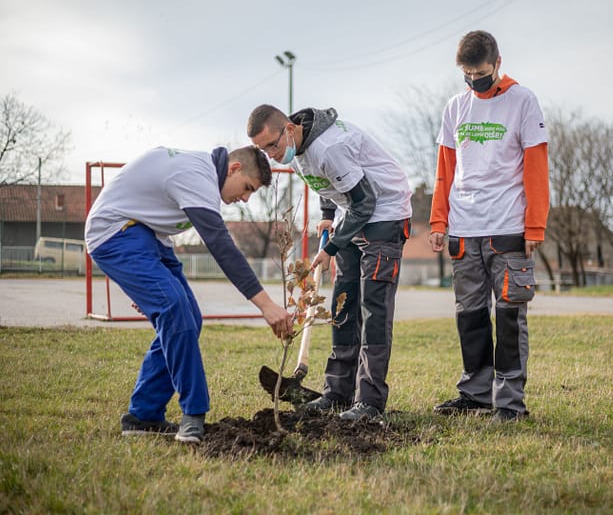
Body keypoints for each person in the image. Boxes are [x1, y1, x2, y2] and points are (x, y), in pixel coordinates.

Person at [85, 145, 292, 443]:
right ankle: (194, 414)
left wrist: (146, 286)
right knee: (175, 310)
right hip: (115, 232)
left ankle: (143, 416)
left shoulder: (202, 174)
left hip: (149, 236)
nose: (245, 198)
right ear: (233, 168)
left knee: (188, 318)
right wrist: (266, 305)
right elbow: (220, 246)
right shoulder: (197, 175)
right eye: (247, 188)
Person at [247, 105, 412, 422]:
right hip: (353, 213)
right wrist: (326, 217)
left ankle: (370, 402)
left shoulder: (329, 146)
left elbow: (366, 202)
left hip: (385, 212)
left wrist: (333, 246)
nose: (270, 154)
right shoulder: (297, 153)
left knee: (373, 307)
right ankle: (337, 393)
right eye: (263, 149)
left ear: (290, 129)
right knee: (343, 304)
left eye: (272, 145)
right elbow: (326, 181)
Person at [428, 30, 549, 422]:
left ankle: (510, 403)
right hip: (464, 231)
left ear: (497, 63)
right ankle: (476, 394)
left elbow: (536, 169)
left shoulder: (523, 101)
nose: (473, 81)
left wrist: (535, 227)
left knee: (510, 317)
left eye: (479, 72)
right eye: (466, 74)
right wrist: (438, 220)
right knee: (471, 315)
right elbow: (445, 171)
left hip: (508, 229)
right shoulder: (455, 108)